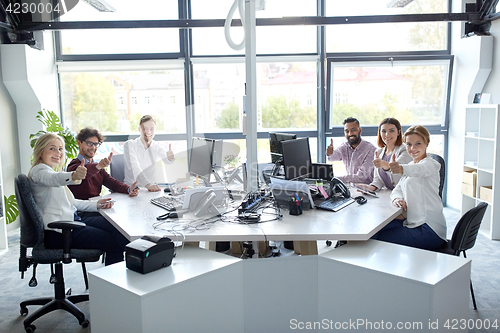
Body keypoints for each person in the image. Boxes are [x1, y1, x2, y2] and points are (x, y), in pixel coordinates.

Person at [28, 133, 129, 266]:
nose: (58, 152)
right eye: (52, 148)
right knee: (113, 240)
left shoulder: (50, 170)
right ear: (41, 150)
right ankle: (118, 280)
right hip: (59, 232)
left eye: (60, 149)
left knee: (116, 228)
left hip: (70, 223)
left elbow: (73, 202)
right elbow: (53, 178)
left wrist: (96, 205)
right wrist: (74, 175)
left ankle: (130, 268)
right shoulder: (39, 171)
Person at [371, 125, 446, 250]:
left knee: (377, 239)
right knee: (375, 229)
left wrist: (399, 168)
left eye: (418, 143)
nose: (413, 148)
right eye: (409, 144)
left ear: (426, 143)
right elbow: (397, 189)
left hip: (429, 229)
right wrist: (397, 199)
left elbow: (418, 170)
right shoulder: (411, 164)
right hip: (412, 223)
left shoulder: (431, 164)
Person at [67, 127, 139, 200]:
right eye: (89, 143)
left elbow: (113, 183)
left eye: (95, 144)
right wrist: (98, 166)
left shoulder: (97, 167)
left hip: (97, 206)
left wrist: (129, 189)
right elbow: (85, 172)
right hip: (81, 209)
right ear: (79, 143)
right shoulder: (73, 166)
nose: (93, 147)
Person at [356, 118, 412, 192]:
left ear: (398, 132)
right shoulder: (378, 152)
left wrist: (384, 164)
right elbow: (378, 179)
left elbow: (398, 169)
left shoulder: (405, 149)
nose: (387, 135)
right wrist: (371, 187)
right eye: (383, 131)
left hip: (405, 193)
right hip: (390, 194)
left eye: (391, 131)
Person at [123, 115, 175, 192]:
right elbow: (135, 168)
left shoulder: (157, 147)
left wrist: (170, 158)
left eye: (151, 129)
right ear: (139, 129)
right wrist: (148, 185)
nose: (148, 132)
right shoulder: (129, 145)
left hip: (150, 190)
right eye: (145, 128)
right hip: (131, 189)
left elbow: (167, 160)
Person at [326, 117, 376, 184]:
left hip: (367, 189)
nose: (350, 134)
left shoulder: (371, 150)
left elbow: (361, 177)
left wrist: (334, 179)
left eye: (353, 130)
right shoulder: (345, 146)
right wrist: (330, 153)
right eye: (347, 131)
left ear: (360, 130)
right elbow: (332, 158)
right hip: (352, 187)